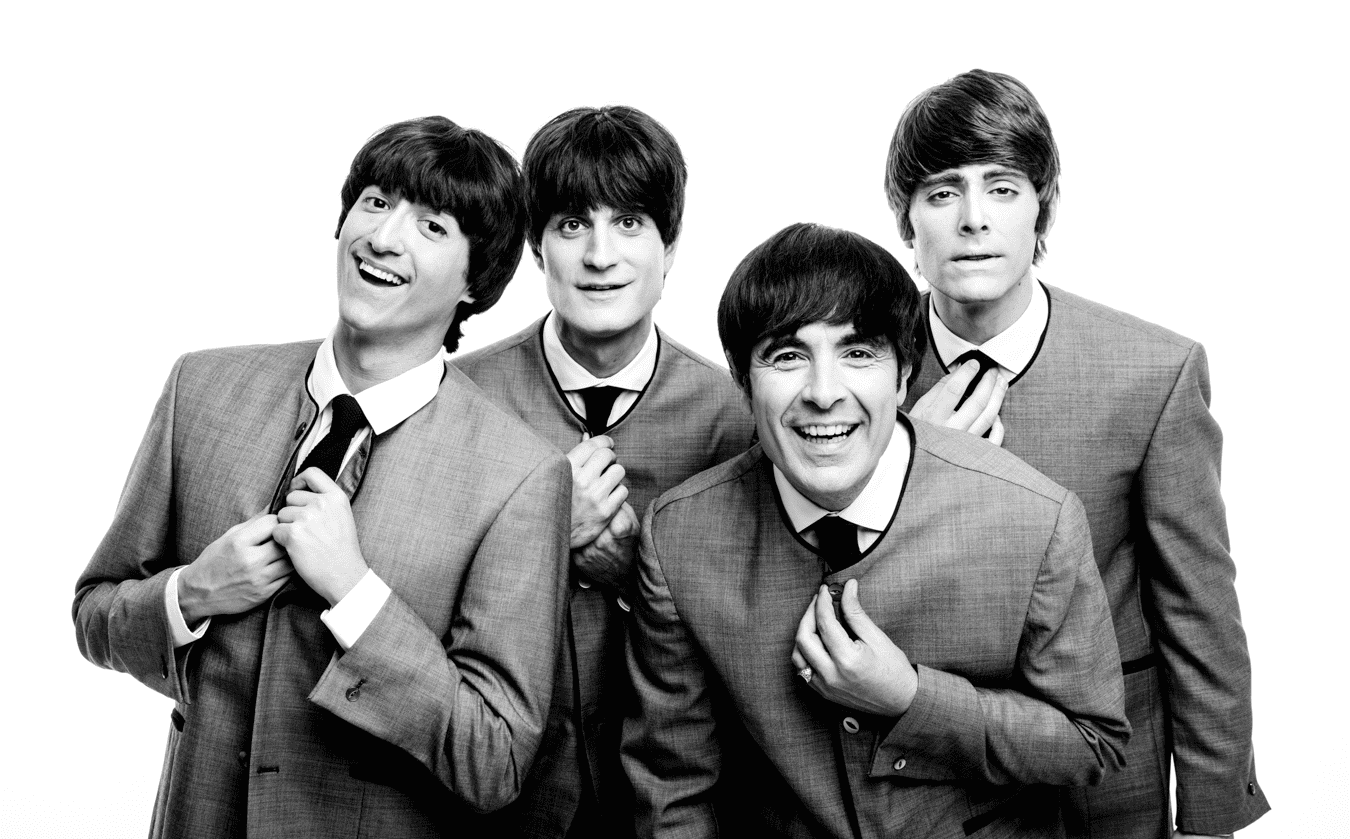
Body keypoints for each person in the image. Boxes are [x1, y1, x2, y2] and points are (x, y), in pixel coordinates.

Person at [72, 116, 572, 838]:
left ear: (476, 281)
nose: (384, 237)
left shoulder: (520, 477)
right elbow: (94, 615)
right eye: (376, 203)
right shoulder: (201, 391)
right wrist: (194, 591)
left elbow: (494, 758)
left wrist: (357, 595)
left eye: (432, 226)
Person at [623, 222, 1129, 838]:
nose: (823, 393)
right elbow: (674, 785)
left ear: (904, 369)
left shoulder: (1035, 518)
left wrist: (913, 699)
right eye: (787, 357)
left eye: (858, 353)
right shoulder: (679, 536)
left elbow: (1091, 743)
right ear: (741, 379)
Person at [888, 69, 1268, 839]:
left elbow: (1198, 612)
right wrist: (910, 454)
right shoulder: (852, 381)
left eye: (1002, 189)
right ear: (905, 219)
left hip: (1107, 785)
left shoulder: (1152, 373)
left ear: (1044, 207)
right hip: (922, 779)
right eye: (942, 192)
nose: (973, 219)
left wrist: (1210, 818)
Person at [454, 105, 754, 837]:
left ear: (670, 246)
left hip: (667, 807)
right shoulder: (460, 398)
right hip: (488, 805)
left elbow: (752, 641)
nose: (599, 255)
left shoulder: (733, 417)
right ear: (536, 248)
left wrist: (636, 575)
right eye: (571, 225)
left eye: (628, 223)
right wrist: (545, 535)